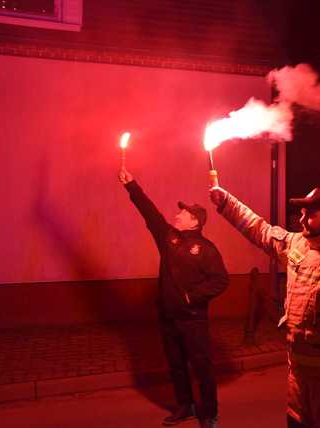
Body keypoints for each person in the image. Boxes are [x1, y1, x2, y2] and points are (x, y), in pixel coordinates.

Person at [209, 185, 320, 428]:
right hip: (298, 388)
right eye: (303, 213)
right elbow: (260, 230)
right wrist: (226, 203)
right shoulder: (296, 246)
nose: (303, 219)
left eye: (310, 214)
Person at [119, 167, 229, 428]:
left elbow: (221, 281)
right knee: (176, 366)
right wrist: (132, 185)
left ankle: (210, 414)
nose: (177, 214)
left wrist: (192, 297)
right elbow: (150, 213)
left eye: (183, 212)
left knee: (202, 368)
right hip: (168, 318)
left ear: (195, 222)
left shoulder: (206, 249)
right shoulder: (169, 239)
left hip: (193, 321)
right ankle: (186, 406)